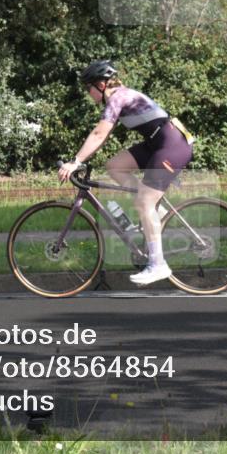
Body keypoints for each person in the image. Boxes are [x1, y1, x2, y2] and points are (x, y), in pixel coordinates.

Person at [58, 60, 194, 285]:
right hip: (157, 143)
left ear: (101, 85)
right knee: (114, 166)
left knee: (143, 203)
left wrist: (75, 161)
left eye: (88, 88)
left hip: (172, 145)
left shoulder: (117, 98)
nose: (88, 93)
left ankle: (158, 264)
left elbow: (99, 134)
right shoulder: (119, 97)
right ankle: (154, 213)